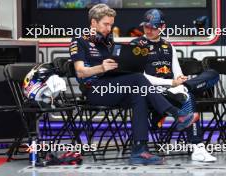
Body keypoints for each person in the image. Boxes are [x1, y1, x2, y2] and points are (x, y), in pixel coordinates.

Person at [69, 4, 199, 165]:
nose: (109, 28)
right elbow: (80, 72)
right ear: (94, 23)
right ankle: (176, 114)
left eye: (111, 24)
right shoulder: (79, 40)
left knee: (140, 94)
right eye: (106, 24)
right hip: (95, 90)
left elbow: (115, 66)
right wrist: (101, 67)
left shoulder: (108, 39)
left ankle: (139, 151)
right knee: (138, 79)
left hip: (113, 86)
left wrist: (126, 64)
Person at [131, 9, 219, 162]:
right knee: (187, 96)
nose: (149, 30)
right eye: (146, 26)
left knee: (212, 74)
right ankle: (197, 147)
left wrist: (179, 79)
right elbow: (140, 78)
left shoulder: (168, 45)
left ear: (162, 27)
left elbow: (177, 73)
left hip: (173, 89)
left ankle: (186, 89)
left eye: (153, 27)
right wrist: (170, 83)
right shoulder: (136, 45)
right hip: (152, 91)